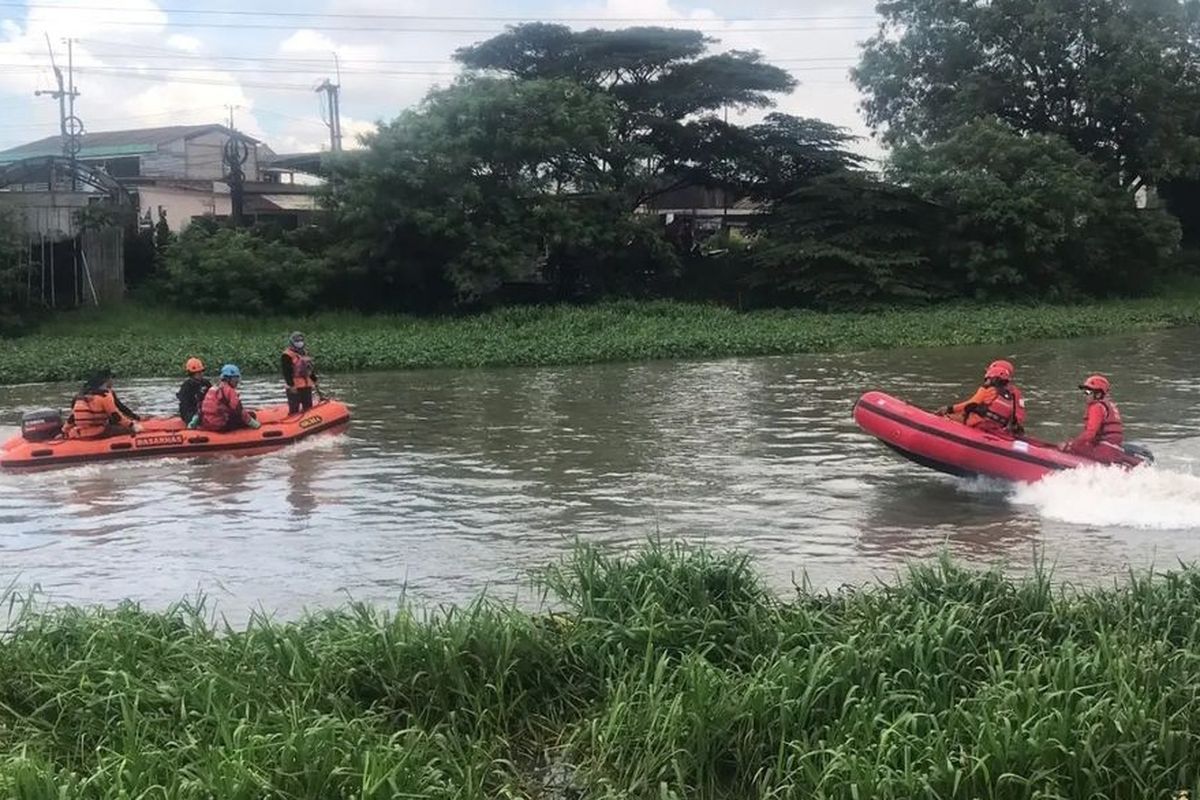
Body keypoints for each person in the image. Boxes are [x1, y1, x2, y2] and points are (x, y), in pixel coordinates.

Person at [1060, 374, 1139, 465]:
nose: (1085, 395)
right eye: (1085, 392)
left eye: (1088, 392)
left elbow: (1090, 434)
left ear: (1098, 394)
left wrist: (1071, 445)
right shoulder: (1109, 406)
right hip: (1112, 451)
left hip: (1103, 450)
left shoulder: (1097, 407)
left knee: (1069, 448)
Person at [934, 359, 1026, 436]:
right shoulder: (1016, 394)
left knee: (946, 417)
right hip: (999, 429)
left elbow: (971, 403)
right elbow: (1019, 417)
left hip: (978, 424)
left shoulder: (987, 389)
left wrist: (949, 409)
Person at [65, 368, 142, 439]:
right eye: (111, 378)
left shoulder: (80, 396)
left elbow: (72, 418)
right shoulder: (105, 396)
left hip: (80, 432)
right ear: (107, 380)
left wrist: (64, 430)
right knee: (129, 431)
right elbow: (116, 416)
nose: (113, 381)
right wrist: (132, 425)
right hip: (97, 431)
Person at [190, 364, 261, 432]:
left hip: (207, 422)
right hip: (219, 424)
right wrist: (253, 423)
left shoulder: (214, 387)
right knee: (252, 415)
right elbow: (239, 410)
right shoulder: (229, 391)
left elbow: (203, 407)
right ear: (229, 379)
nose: (237, 381)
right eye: (235, 378)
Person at [281, 331, 318, 415]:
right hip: (294, 386)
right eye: (297, 341)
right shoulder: (287, 355)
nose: (299, 342)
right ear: (292, 342)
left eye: (301, 340)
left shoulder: (305, 353)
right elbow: (286, 372)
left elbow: (309, 369)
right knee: (294, 409)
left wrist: (314, 380)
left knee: (308, 408)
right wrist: (291, 385)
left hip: (306, 385)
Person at [176, 357, 212, 423]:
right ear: (191, 374)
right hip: (190, 412)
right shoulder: (186, 386)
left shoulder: (206, 383)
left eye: (201, 372)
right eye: (197, 373)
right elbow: (184, 404)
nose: (201, 374)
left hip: (204, 411)